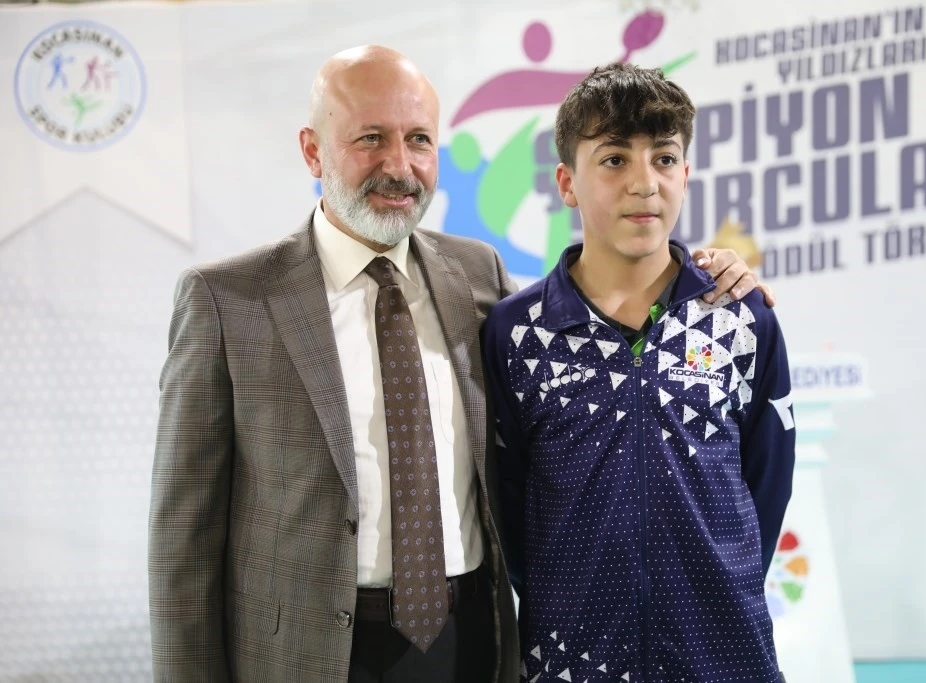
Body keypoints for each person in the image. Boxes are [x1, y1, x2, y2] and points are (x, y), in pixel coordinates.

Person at [148, 46, 770, 683]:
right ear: (313, 151)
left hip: (470, 642)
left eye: (419, 139)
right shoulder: (228, 301)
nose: (399, 165)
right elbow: (182, 538)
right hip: (305, 657)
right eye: (371, 138)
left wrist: (708, 273)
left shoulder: (478, 278)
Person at [481, 63, 796, 683]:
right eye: (614, 159)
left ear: (686, 175)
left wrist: (720, 584)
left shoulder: (741, 316)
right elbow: (506, 501)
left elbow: (767, 481)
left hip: (723, 654)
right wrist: (561, 594)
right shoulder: (517, 332)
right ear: (567, 183)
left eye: (664, 158)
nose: (644, 183)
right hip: (571, 657)